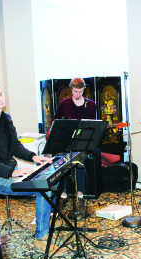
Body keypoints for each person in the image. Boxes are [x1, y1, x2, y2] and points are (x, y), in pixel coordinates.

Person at [0, 82, 66, 256]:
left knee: (50, 181)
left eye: (0, 94)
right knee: (42, 189)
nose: (0, 99)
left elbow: (15, 146)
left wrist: (33, 157)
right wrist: (12, 172)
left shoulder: (5, 118)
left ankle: (45, 219)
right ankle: (41, 238)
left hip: (9, 171)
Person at [51, 77, 96, 213]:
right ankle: (63, 195)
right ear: (71, 89)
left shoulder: (91, 105)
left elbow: (93, 124)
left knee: (80, 163)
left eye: (81, 91)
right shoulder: (64, 103)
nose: (78, 95)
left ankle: (80, 196)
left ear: (84, 90)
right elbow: (55, 118)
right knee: (63, 164)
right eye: (75, 91)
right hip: (66, 141)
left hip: (82, 141)